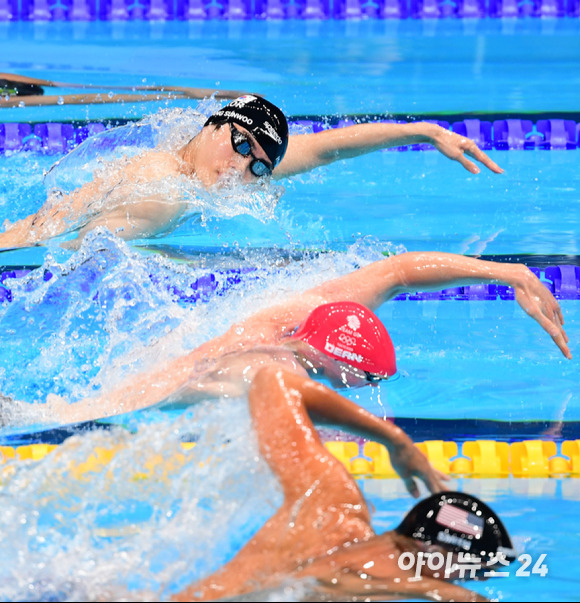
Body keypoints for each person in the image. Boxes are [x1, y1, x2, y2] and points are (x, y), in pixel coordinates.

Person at [20, 249, 569, 431]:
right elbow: (180, 376)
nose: (361, 387)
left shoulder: (322, 310)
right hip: (161, 380)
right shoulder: (262, 358)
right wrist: (49, 416)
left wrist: (510, 273)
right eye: (360, 379)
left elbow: (401, 270)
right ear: (327, 360)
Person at [170, 360, 517, 602]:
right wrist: (431, 590)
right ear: (429, 552)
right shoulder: (385, 578)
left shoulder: (330, 505)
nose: (463, 582)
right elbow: (330, 576)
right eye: (465, 572)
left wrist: (394, 440)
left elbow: (273, 381)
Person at [0, 94, 503, 249]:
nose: (241, 167)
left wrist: (421, 131)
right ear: (215, 125)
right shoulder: (163, 192)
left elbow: (323, 150)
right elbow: (70, 245)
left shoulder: (189, 152)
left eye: (259, 164)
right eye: (240, 144)